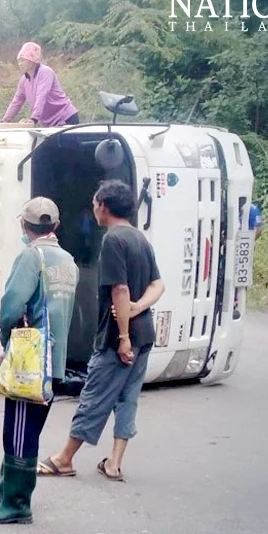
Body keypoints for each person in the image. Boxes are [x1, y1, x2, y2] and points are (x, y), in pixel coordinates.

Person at [39, 179, 165, 481]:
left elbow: (119, 289)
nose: (94, 208)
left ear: (104, 206)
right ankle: (114, 463)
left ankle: (65, 458)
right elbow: (158, 284)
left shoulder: (113, 240)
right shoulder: (140, 239)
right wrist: (139, 308)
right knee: (128, 398)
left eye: (95, 203)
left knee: (94, 396)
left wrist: (123, 335)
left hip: (117, 337)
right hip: (145, 334)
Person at [0, 198, 78, 524]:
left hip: (30, 360)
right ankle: (7, 482)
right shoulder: (67, 261)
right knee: (30, 426)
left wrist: (4, 336)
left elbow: (12, 305)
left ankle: (17, 503)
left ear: (24, 226)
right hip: (56, 358)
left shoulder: (30, 256)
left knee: (19, 430)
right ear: (56, 226)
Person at [1, 42, 79, 127]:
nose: (20, 64)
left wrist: (33, 119)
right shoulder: (24, 81)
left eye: (23, 60)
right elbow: (16, 102)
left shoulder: (45, 72)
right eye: (19, 61)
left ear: (32, 60)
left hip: (65, 118)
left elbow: (42, 96)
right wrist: (5, 121)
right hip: (49, 124)